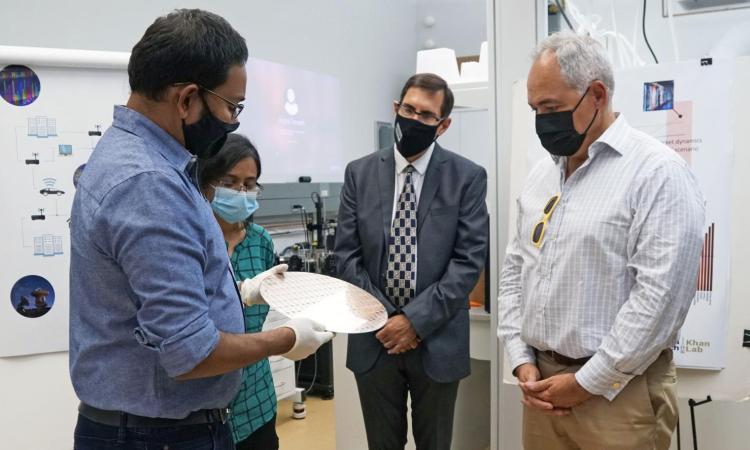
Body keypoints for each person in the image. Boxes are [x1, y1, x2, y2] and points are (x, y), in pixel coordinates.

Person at [69, 9, 332, 449]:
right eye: (232, 106)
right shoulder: (148, 184)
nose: (233, 121)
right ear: (187, 99)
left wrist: (237, 290)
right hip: (159, 435)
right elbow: (191, 352)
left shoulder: (136, 158)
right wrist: (286, 338)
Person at [498, 32, 705, 450]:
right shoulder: (542, 175)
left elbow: (658, 301)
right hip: (541, 385)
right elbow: (514, 271)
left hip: (619, 395)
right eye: (535, 109)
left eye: (551, 108)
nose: (542, 121)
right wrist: (521, 358)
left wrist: (586, 383)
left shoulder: (657, 174)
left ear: (596, 94)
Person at [335, 73, 489, 450]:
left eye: (426, 115)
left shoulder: (466, 177)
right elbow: (346, 255)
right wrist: (387, 319)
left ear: (444, 125)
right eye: (409, 109)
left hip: (436, 339)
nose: (414, 120)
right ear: (395, 109)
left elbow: (468, 261)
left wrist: (414, 322)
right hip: (375, 340)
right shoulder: (360, 172)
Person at [199, 133, 280, 450]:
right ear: (208, 182)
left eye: (249, 184)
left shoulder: (260, 241)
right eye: (229, 182)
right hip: (204, 405)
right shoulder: (193, 239)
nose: (240, 192)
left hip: (257, 400)